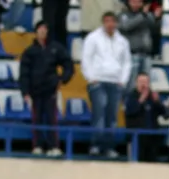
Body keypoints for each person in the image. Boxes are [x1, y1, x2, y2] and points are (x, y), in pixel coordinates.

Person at [19, 20, 74, 157]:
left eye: (45, 29)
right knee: (36, 118)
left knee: (51, 118)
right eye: (40, 29)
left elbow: (68, 64)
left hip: (51, 90)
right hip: (35, 91)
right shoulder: (29, 51)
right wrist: (25, 91)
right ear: (36, 32)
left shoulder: (56, 48)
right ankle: (37, 145)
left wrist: (62, 79)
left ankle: (53, 146)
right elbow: (24, 73)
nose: (43, 32)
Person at [80, 11, 131, 158]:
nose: (110, 24)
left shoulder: (122, 41)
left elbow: (126, 62)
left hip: (115, 82)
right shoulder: (93, 38)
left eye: (113, 21)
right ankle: (96, 145)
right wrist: (91, 78)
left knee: (112, 117)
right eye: (107, 21)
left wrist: (123, 80)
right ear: (103, 22)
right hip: (98, 81)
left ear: (116, 23)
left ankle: (109, 147)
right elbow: (86, 59)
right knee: (99, 115)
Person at [124, 72, 168, 162]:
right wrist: (141, 100)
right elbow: (130, 111)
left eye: (145, 82)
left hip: (152, 137)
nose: (143, 84)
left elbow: (166, 115)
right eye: (141, 82)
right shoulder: (131, 96)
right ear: (136, 83)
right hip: (136, 137)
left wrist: (158, 102)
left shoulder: (153, 97)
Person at [118, 0, 160, 93]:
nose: (136, 4)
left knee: (146, 83)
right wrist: (142, 15)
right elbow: (126, 26)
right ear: (128, 2)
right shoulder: (123, 15)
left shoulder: (147, 15)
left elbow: (154, 28)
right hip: (132, 54)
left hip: (146, 54)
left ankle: (143, 104)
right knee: (131, 84)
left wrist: (156, 18)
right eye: (133, 2)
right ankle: (129, 105)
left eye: (138, 2)